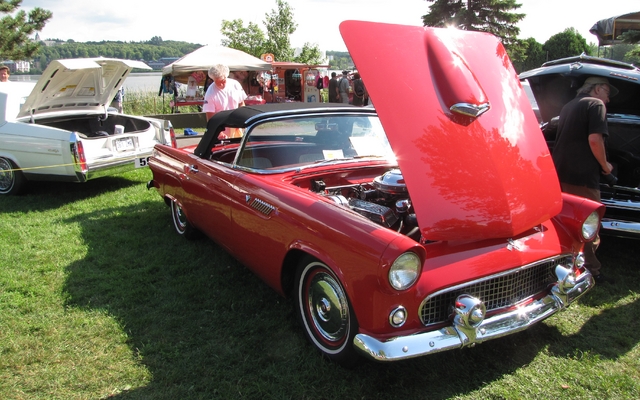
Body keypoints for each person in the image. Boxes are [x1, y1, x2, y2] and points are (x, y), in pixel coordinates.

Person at [552, 76, 618, 284]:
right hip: (583, 176)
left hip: (561, 173)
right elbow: (594, 139)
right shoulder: (595, 104)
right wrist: (606, 166)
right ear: (598, 89)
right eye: (607, 93)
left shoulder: (568, 106)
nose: (607, 100)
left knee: (565, 222)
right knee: (588, 224)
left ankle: (563, 262)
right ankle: (591, 270)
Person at [203, 64, 247, 138]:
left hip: (236, 126)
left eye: (223, 80)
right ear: (213, 80)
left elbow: (241, 104)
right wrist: (218, 132)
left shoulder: (235, 85)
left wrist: (242, 120)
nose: (222, 83)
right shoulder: (210, 93)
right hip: (221, 128)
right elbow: (210, 117)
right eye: (218, 81)